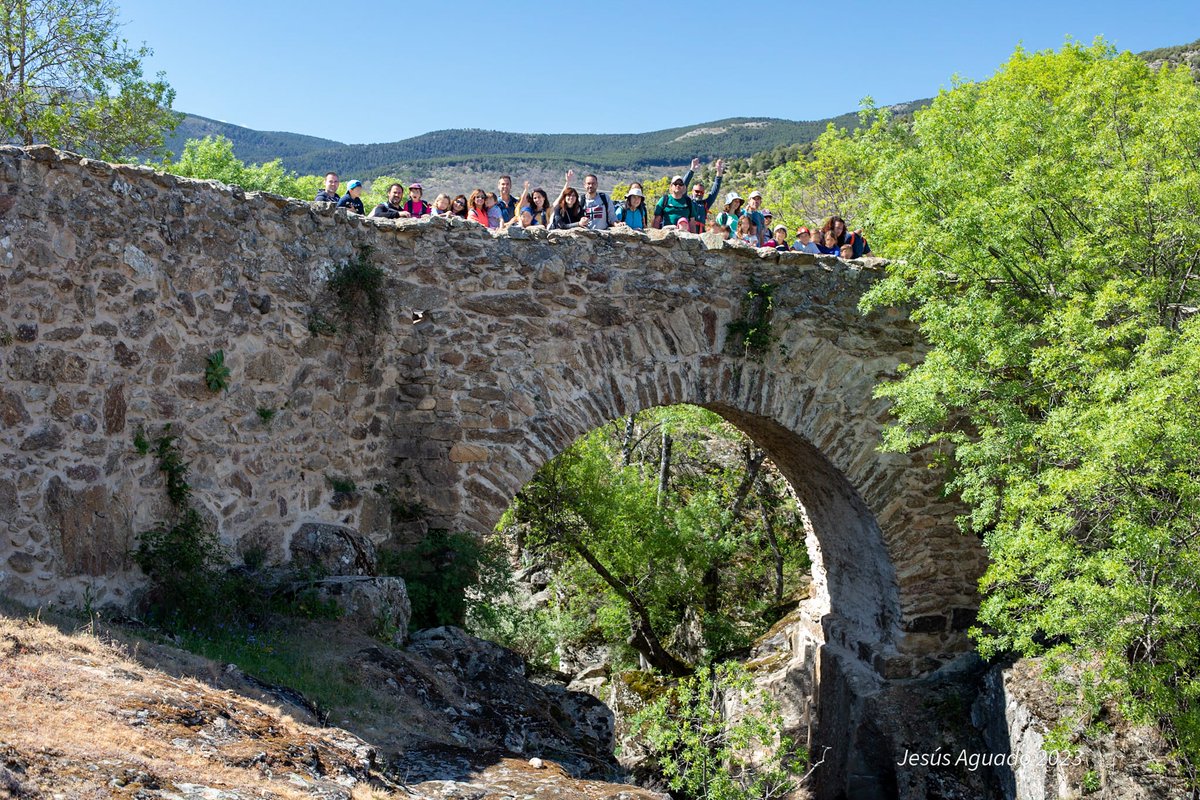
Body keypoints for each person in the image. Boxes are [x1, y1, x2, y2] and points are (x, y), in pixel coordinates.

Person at [681, 157, 725, 232]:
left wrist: (719, 173)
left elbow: (714, 191)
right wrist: (692, 170)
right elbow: (683, 185)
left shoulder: (705, 204)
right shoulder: (687, 201)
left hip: (701, 236)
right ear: (692, 191)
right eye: (697, 191)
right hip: (689, 234)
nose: (699, 194)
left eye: (701, 192)